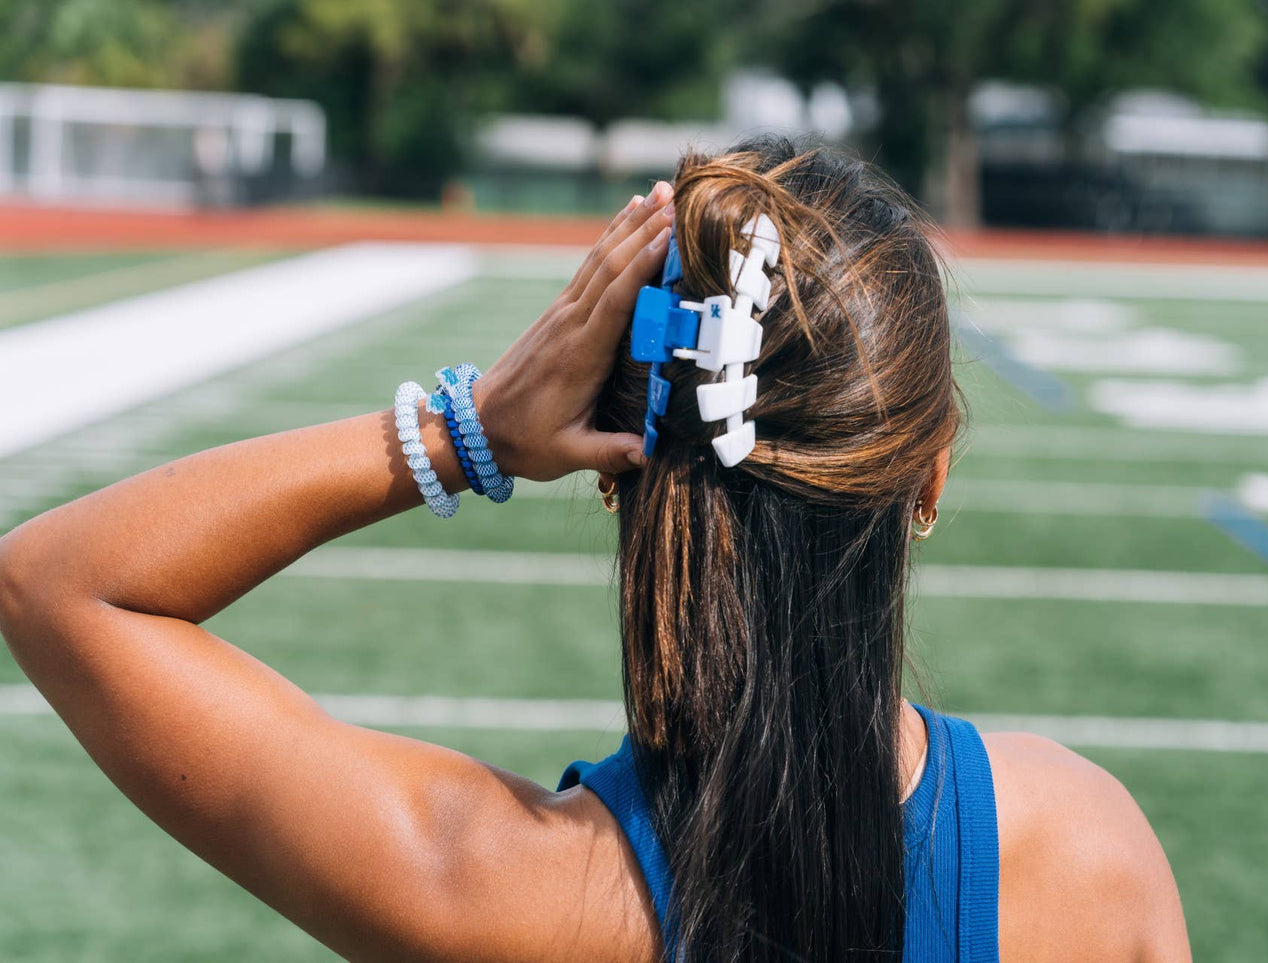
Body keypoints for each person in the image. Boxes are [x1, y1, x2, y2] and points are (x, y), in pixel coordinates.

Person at [0, 138, 1190, 962]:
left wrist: (466, 433)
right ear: (923, 475)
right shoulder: (1094, 855)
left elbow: (57, 585)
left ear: (627, 464)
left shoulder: (496, 891)